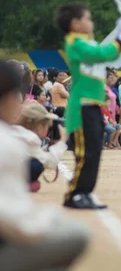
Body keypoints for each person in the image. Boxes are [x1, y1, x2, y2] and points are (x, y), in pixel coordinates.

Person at [0, 60, 90, 269]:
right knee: (76, 234)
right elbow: (12, 219)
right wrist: (48, 218)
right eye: (16, 96)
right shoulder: (9, 142)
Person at [55, 2, 121, 209]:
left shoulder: (87, 43)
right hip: (81, 108)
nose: (91, 22)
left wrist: (119, 32)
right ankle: (75, 193)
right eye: (88, 19)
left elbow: (105, 52)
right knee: (86, 153)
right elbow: (104, 53)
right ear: (75, 23)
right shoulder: (76, 44)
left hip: (92, 107)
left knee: (95, 152)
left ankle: (85, 192)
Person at [16, 101, 69, 193]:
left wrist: (49, 146)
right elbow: (50, 162)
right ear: (40, 126)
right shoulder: (31, 138)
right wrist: (62, 141)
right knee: (37, 164)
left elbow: (34, 152)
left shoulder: (17, 131)